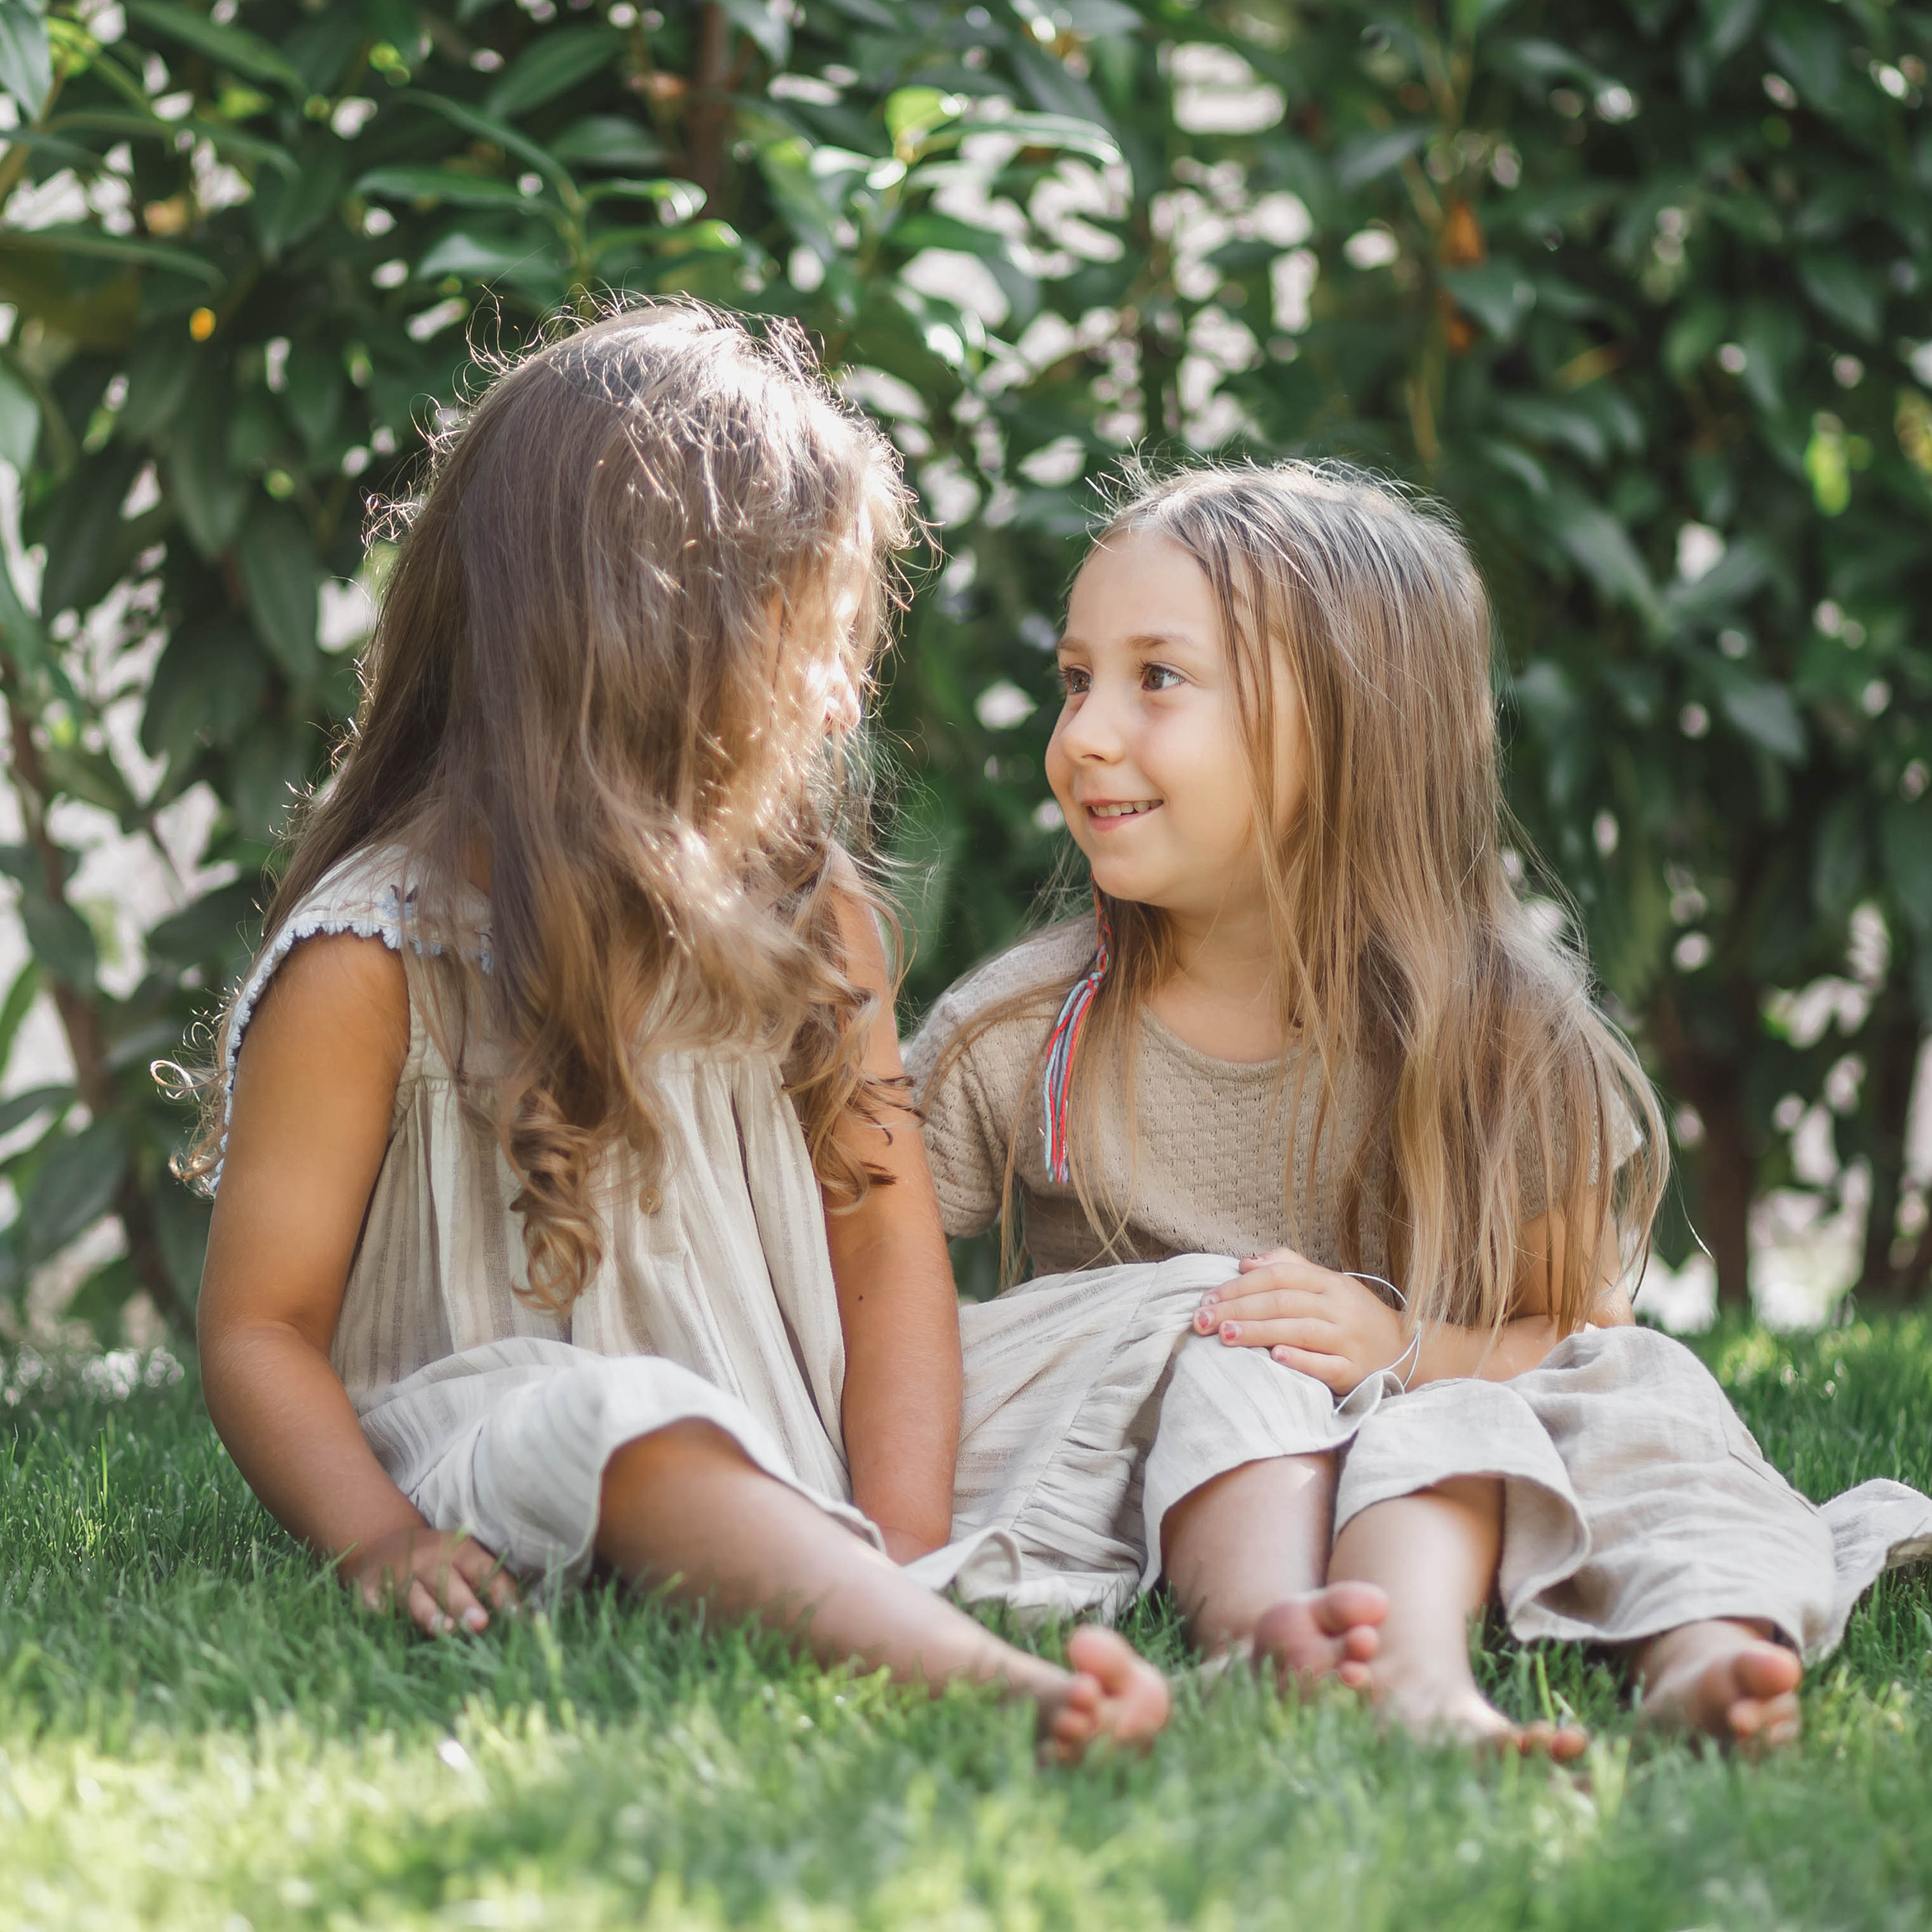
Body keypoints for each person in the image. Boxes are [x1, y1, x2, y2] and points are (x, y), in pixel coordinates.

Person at [184, 302, 1169, 1761]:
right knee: (630, 1419)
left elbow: (886, 1248)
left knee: (1164, 1317)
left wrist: (900, 1527)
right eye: (813, 641)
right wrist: (378, 1539)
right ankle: (977, 1679)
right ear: (649, 643)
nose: (844, 694)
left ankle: (1229, 1598)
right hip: (518, 1435)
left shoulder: (811, 920)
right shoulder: (377, 956)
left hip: (794, 1423)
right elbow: (260, 1326)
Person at [909, 460, 1932, 1750]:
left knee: (1640, 1391)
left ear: (1348, 732)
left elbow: (1569, 1334)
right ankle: (1299, 1636)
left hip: (1452, 1439)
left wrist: (1396, 1343)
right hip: (1177, 1470)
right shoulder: (1022, 1037)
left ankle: (1707, 1644)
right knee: (1234, 1343)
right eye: (1077, 679)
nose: (1085, 735)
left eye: (1155, 679)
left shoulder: (1506, 1044)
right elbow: (881, 1294)